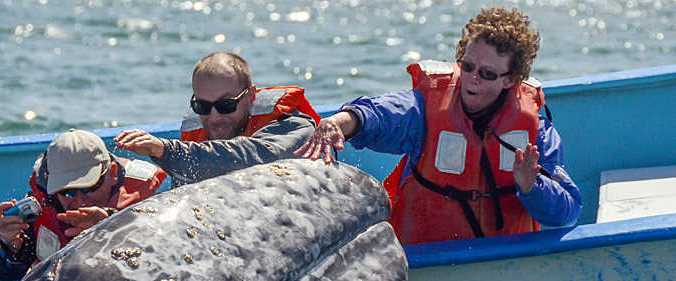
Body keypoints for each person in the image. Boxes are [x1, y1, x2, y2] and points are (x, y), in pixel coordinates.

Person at [296, 7, 582, 245]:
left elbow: (568, 213)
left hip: (503, 264)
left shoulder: (537, 133)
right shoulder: (426, 109)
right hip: (427, 260)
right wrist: (339, 122)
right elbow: (381, 114)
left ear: (510, 80)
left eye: (486, 73)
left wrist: (532, 186)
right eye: (467, 66)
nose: (472, 79)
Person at [0, 129, 167, 280]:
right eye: (66, 192)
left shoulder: (149, 201)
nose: (79, 201)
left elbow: (167, 260)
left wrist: (113, 227)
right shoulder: (39, 208)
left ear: (112, 173)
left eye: (89, 188)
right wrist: (10, 247)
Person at [114, 52, 320, 186]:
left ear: (251, 97)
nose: (214, 118)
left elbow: (251, 156)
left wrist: (166, 151)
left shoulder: (295, 127)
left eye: (226, 105)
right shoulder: (195, 143)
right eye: (202, 106)